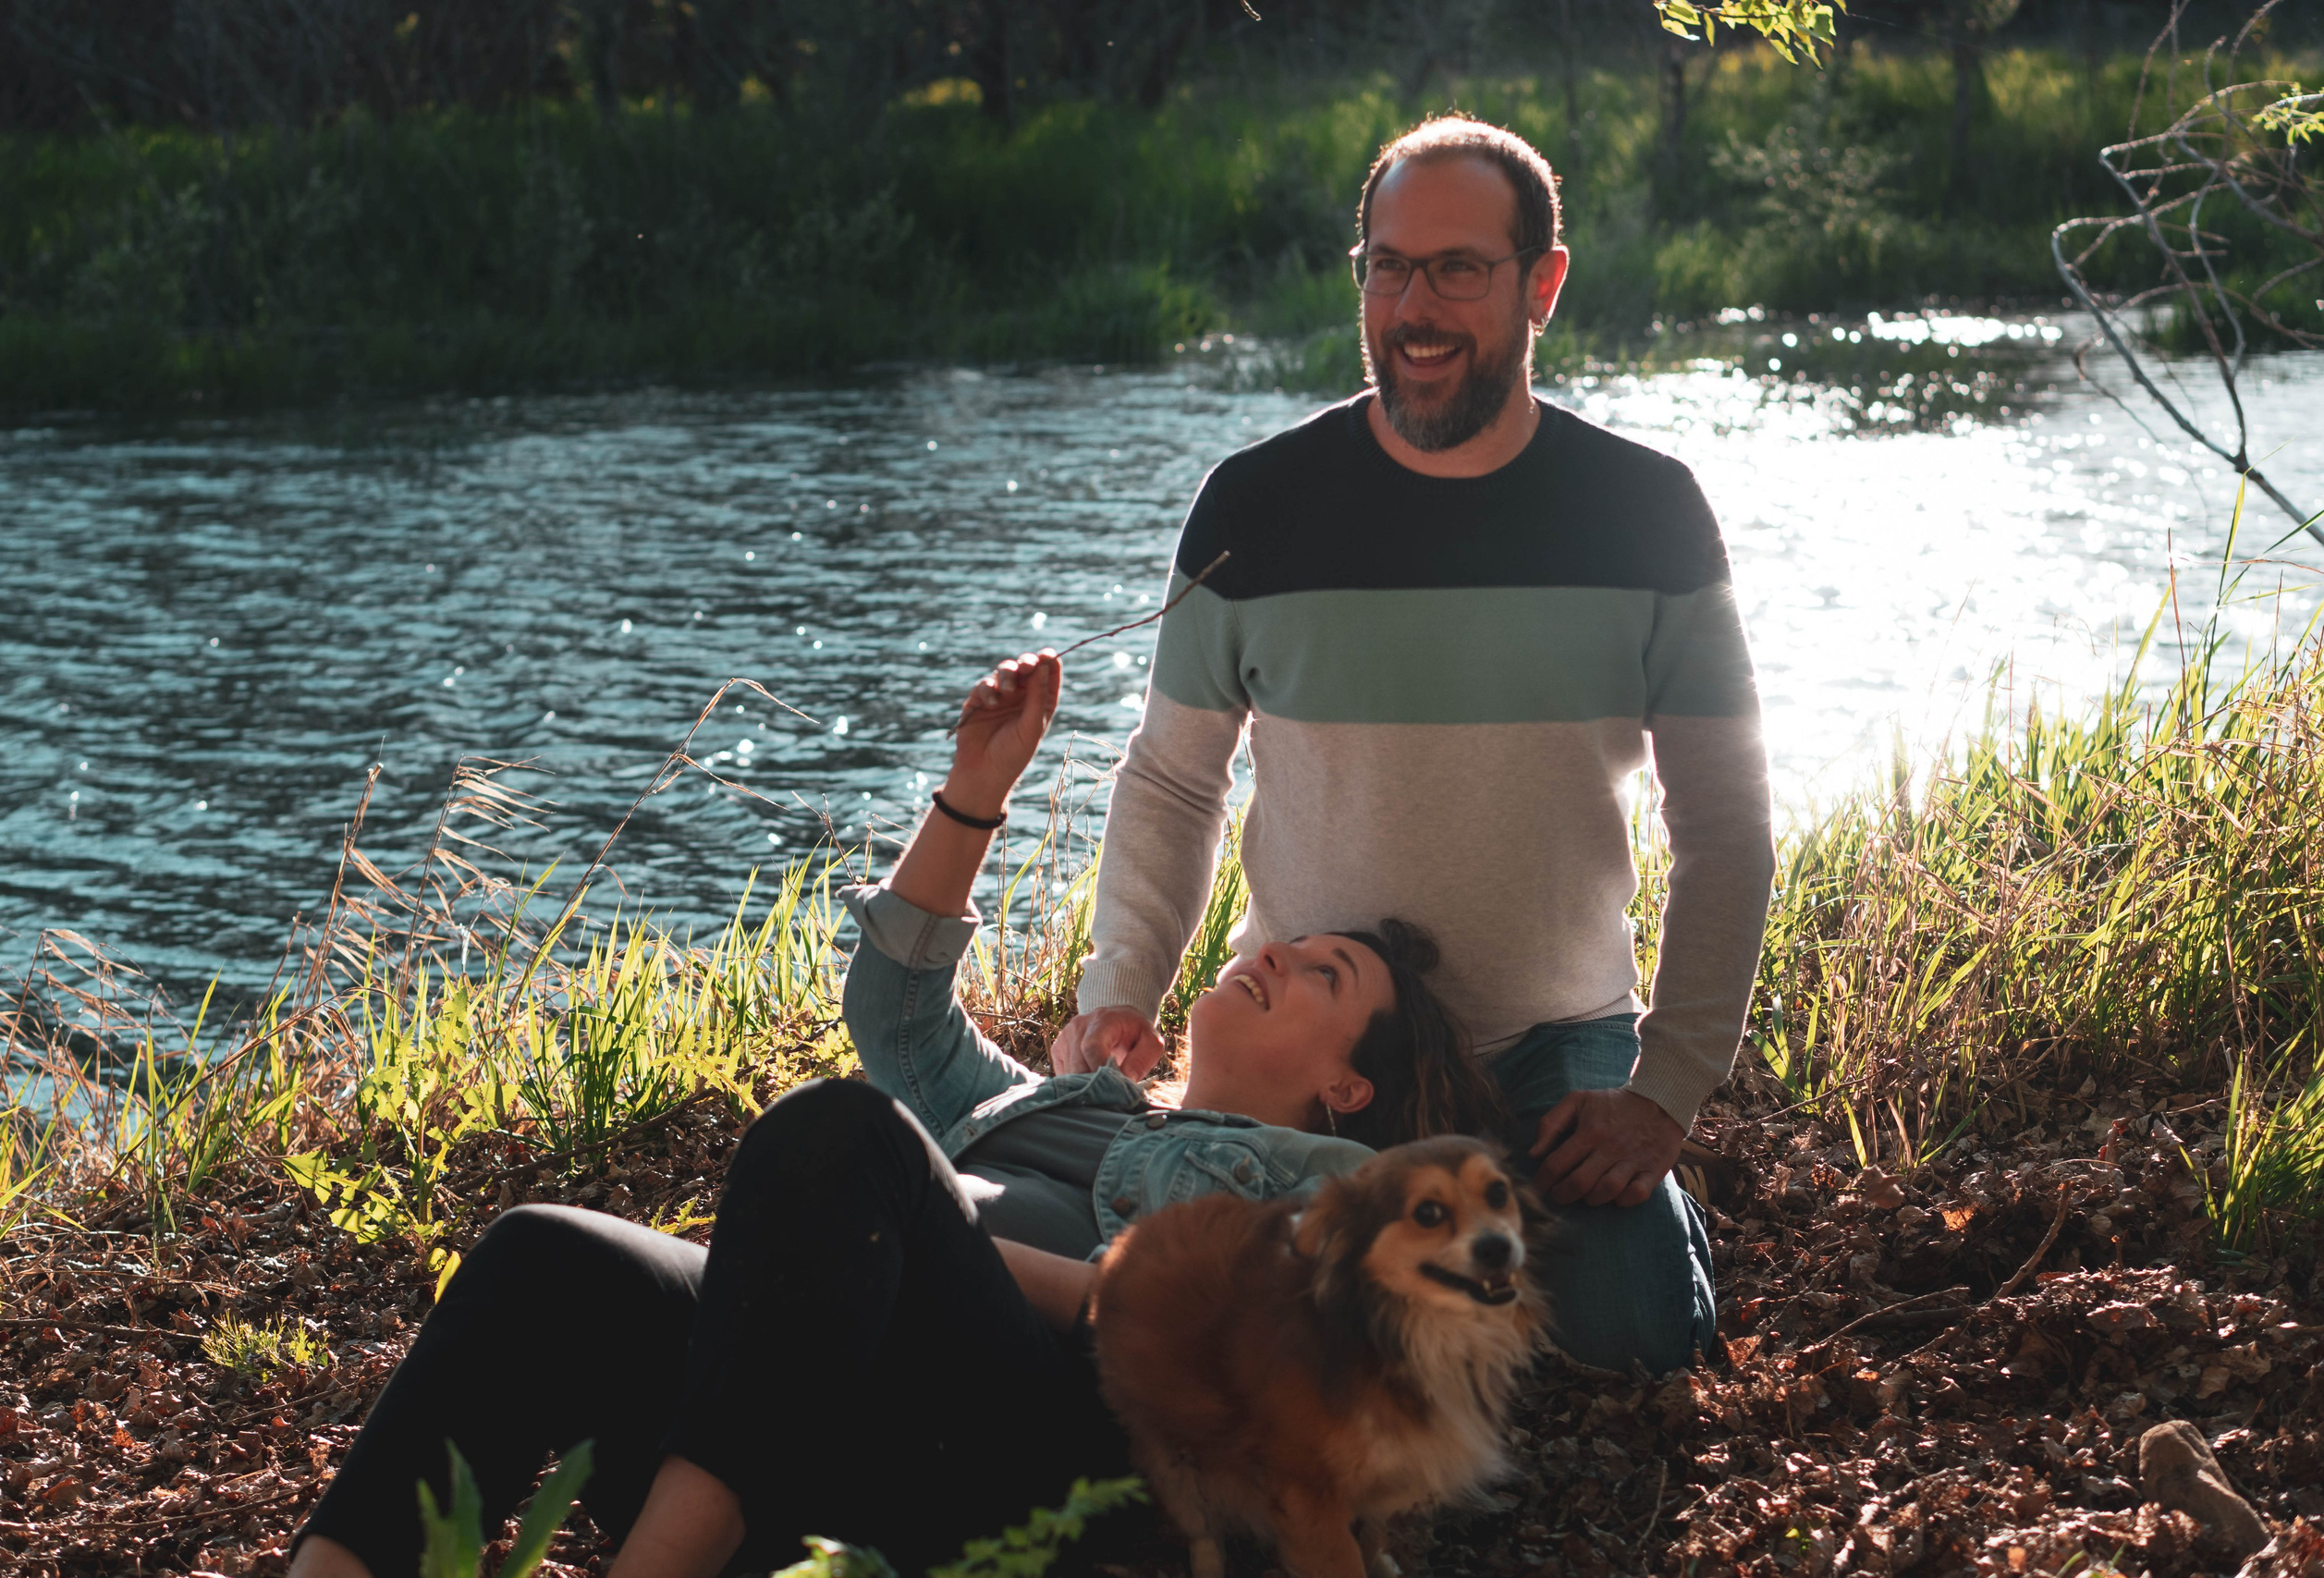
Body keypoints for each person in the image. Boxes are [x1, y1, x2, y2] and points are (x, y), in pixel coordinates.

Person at [286, 650, 1506, 1578]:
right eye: (1289, 943)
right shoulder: (1061, 1100)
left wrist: (909, 1246)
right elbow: (898, 1012)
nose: (1276, 953)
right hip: (813, 1432)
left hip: (1020, 1464)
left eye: (1325, 973)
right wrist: (978, 790)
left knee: (844, 1136)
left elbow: (1195, 1341)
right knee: (545, 1255)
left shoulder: (1326, 1190)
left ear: (1349, 1087)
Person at [1049, 115, 1776, 1376]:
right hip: (1326, 1050)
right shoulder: (1254, 506)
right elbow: (1173, 777)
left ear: (1542, 283)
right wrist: (1123, 987)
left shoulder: (1648, 511)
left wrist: (1664, 1089)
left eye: (1457, 269)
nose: (1414, 308)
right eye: (1388, 266)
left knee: (1632, 1335)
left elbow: (1722, 823)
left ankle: (1610, 1231)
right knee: (1235, 1317)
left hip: (1556, 1043)